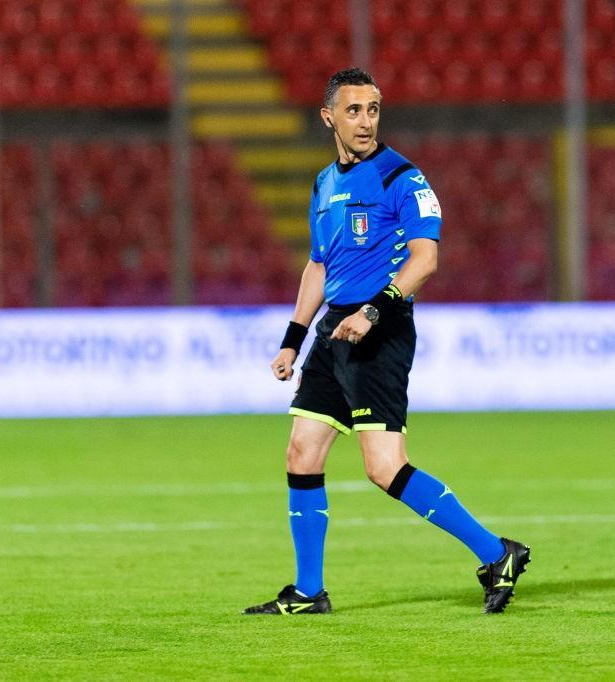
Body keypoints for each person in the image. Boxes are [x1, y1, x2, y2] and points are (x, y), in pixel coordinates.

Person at [243, 68, 530, 616]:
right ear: (328, 117)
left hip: (381, 328)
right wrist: (292, 340)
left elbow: (426, 259)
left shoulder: (402, 177)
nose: (366, 122)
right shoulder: (323, 184)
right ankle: (308, 592)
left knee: (384, 467)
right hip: (334, 332)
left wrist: (375, 311)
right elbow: (319, 266)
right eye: (353, 111)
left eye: (373, 110)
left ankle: (498, 553)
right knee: (301, 452)